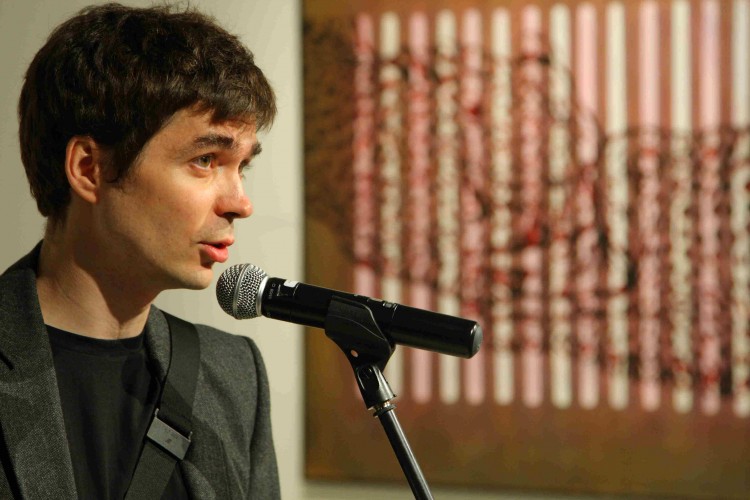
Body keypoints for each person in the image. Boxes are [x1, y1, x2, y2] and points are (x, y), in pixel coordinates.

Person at [0, 3, 280, 498]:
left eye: (242, 167)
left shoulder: (233, 373)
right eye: (205, 160)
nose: (240, 203)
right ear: (89, 169)